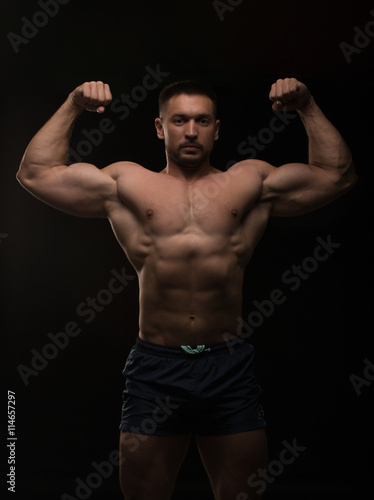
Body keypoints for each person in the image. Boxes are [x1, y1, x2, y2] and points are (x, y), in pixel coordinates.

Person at [17, 77, 357, 500]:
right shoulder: (127, 183)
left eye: (201, 120)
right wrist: (73, 104)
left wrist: (307, 104)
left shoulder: (249, 181)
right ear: (160, 128)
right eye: (179, 120)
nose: (191, 131)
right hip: (155, 368)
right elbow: (35, 173)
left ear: (218, 128)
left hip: (227, 367)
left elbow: (336, 175)